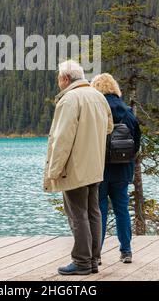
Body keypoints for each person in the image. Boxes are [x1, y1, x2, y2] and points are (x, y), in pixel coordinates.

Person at [44, 60, 113, 276]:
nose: (58, 82)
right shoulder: (98, 96)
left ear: (65, 78)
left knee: (77, 214)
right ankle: (93, 259)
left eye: (59, 78)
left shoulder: (69, 100)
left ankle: (82, 261)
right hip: (95, 166)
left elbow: (62, 139)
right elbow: (109, 127)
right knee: (94, 211)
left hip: (74, 167)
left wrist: (54, 171)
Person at [91, 73, 141, 264]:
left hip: (100, 169)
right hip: (122, 170)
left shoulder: (97, 110)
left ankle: (96, 255)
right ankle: (126, 251)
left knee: (99, 211)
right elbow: (136, 143)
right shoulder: (128, 112)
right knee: (122, 210)